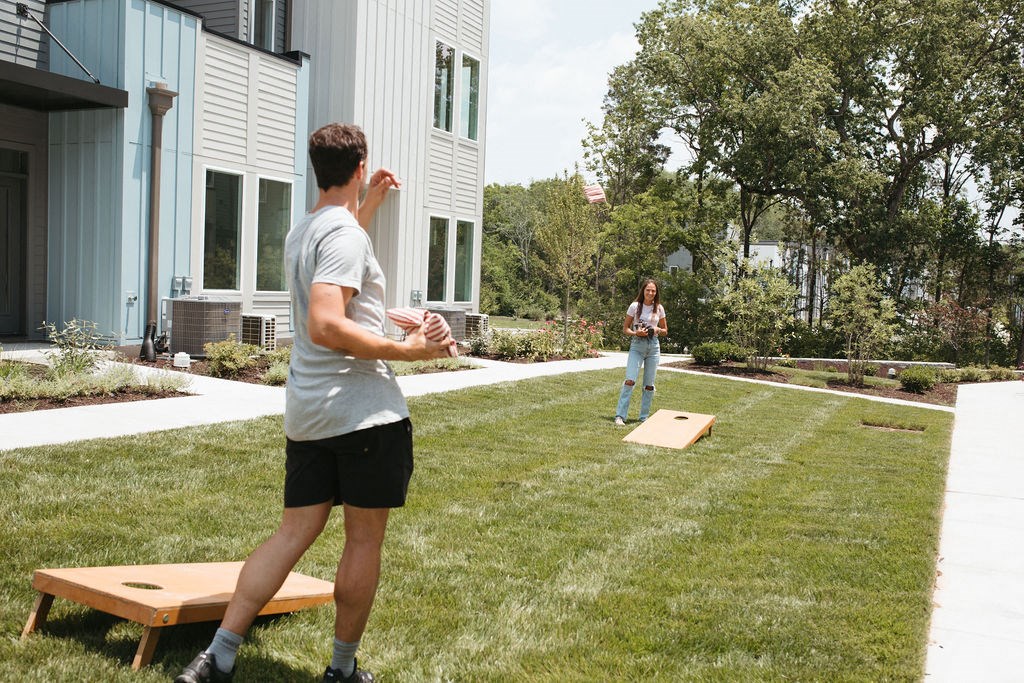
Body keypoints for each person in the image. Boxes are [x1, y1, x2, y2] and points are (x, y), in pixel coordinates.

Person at [175, 123, 450, 683]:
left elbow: (341, 249)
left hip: (309, 413)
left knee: (292, 534)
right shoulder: (344, 236)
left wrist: (370, 202)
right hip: (363, 414)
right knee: (363, 541)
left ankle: (217, 656)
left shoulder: (306, 231)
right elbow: (326, 323)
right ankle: (341, 671)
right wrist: (410, 350)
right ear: (358, 166)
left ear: (316, 169)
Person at [614, 279, 668, 425]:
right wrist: (636, 333)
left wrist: (657, 329)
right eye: (648, 290)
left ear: (656, 293)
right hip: (637, 345)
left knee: (649, 385)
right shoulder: (635, 306)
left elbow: (665, 330)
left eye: (653, 291)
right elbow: (625, 328)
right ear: (643, 291)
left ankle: (644, 417)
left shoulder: (659, 308)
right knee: (630, 380)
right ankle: (620, 416)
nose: (650, 293)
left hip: (653, 347)